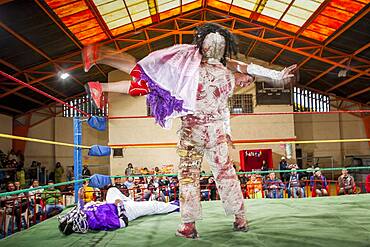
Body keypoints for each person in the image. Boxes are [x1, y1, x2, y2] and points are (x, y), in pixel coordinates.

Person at [83, 22, 296, 238]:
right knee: (227, 175)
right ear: (223, 49)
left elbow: (237, 85)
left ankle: (189, 225)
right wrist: (276, 75)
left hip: (192, 134)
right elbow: (243, 75)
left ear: (203, 45)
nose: (245, 81)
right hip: (215, 135)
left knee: (188, 177)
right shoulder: (226, 76)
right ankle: (239, 218)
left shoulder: (187, 69)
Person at [58, 187, 179, 235]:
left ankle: (129, 200)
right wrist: (120, 207)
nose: (69, 216)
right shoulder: (95, 223)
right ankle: (176, 206)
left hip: (113, 203)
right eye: (68, 219)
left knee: (111, 190)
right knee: (154, 206)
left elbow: (80, 207)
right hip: (126, 210)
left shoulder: (81, 215)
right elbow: (123, 222)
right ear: (75, 223)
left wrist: (80, 197)